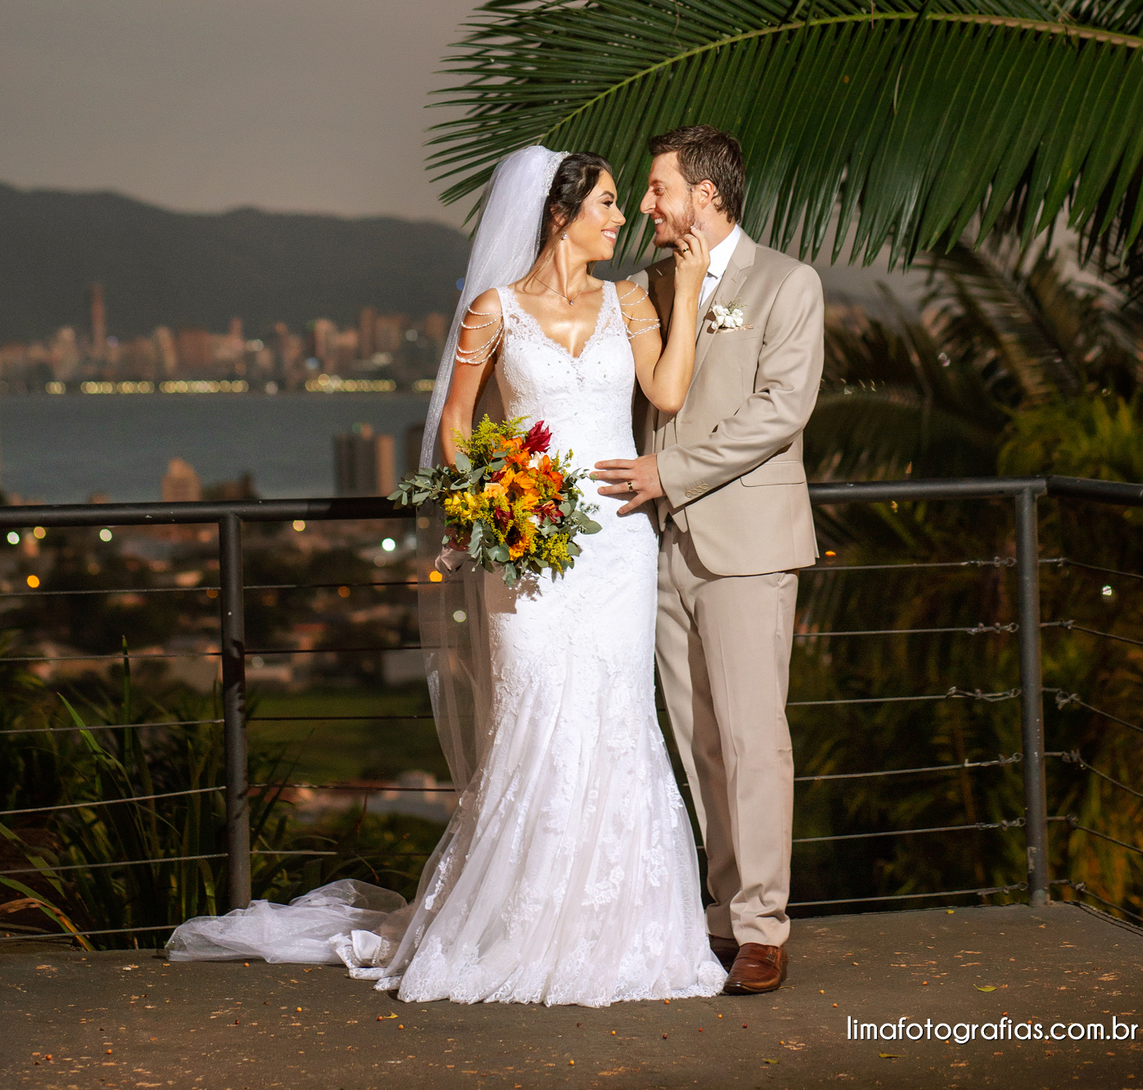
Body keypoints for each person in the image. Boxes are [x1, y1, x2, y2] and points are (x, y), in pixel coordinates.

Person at [167, 145, 726, 1008]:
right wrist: (491, 510)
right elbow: (457, 427)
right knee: (536, 715)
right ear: (559, 212)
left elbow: (671, 393)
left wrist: (684, 292)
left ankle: (622, 928)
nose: (621, 219)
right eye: (609, 203)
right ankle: (513, 925)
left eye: (622, 204)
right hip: (525, 552)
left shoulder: (630, 302)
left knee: (617, 717)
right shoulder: (493, 310)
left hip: (615, 544)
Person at [593, 126, 824, 997]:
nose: (646, 205)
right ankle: (724, 914)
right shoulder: (650, 286)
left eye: (657, 190)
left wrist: (668, 472)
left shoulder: (788, 284)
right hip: (656, 550)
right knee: (700, 744)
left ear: (707, 196)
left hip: (747, 546)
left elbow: (780, 411)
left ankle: (764, 928)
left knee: (753, 739)